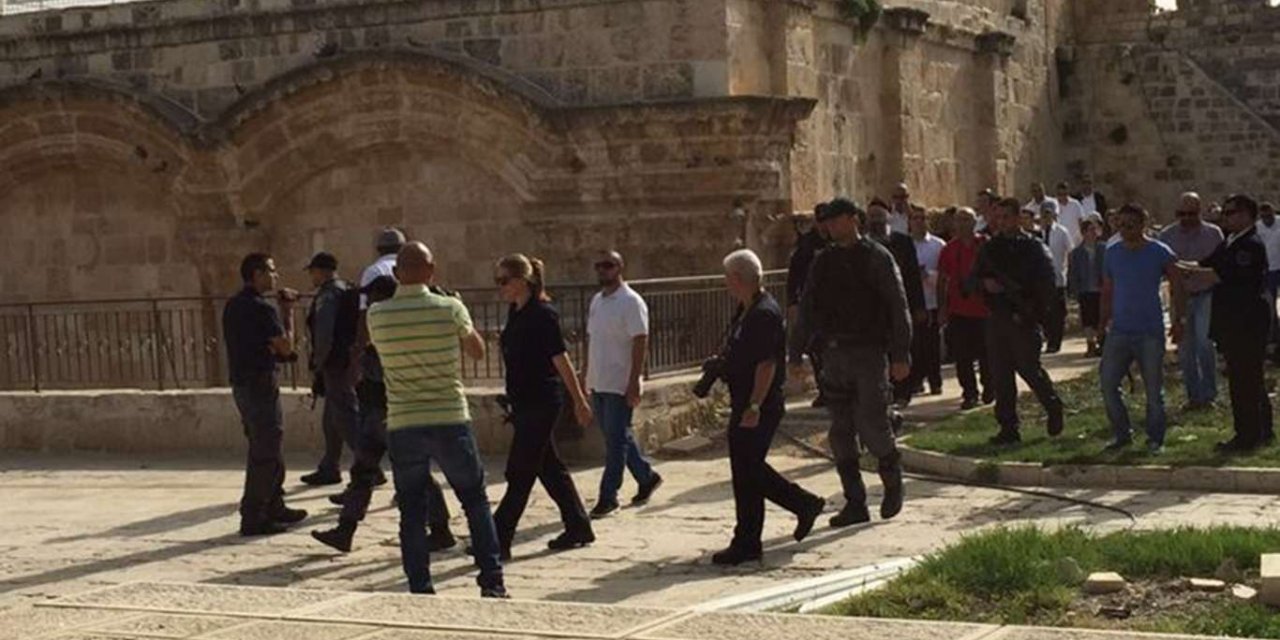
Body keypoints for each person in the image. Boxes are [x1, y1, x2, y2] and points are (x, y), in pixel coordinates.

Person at [367, 242, 507, 598]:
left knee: (412, 511)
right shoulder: (450, 308)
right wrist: (458, 314)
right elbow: (477, 352)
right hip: (449, 417)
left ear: (397, 273)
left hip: (403, 421)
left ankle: (420, 587)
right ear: (432, 271)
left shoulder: (377, 315)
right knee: (474, 500)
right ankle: (491, 580)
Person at [311, 275, 456, 554]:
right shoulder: (381, 327)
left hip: (393, 413)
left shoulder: (393, 329)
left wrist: (364, 360)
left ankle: (440, 529)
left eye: (374, 297)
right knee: (363, 472)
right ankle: (346, 529)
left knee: (415, 472)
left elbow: (385, 371)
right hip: (375, 413)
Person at [790, 197, 911, 527]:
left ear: (852, 220)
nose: (829, 227)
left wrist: (901, 354)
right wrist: (795, 352)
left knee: (873, 424)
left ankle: (892, 478)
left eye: (834, 220)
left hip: (868, 353)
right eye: (826, 222)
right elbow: (808, 307)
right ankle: (855, 501)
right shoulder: (823, 262)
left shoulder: (876, 257)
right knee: (840, 432)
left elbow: (898, 306)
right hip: (834, 354)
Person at [710, 249, 826, 566]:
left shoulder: (763, 313)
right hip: (746, 400)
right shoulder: (746, 309)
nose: (725, 283)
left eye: (727, 278)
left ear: (737, 278)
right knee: (747, 471)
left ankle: (752, 537)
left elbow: (766, 364)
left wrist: (754, 405)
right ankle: (795, 510)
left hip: (757, 403)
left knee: (747, 471)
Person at [492, 254, 596, 558]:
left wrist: (579, 399)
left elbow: (560, 358)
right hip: (523, 402)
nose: (500, 287)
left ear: (522, 281)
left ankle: (498, 537)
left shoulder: (543, 314)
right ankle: (578, 525)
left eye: (503, 280)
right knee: (549, 468)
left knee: (520, 471)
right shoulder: (516, 311)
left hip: (542, 401)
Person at [1177, 194, 1275, 452]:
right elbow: (1205, 263)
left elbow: (1219, 275)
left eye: (1231, 213)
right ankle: (1262, 431)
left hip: (1247, 320)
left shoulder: (1249, 245)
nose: (1225, 217)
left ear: (1245, 215)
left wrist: (1190, 271)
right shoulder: (1231, 241)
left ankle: (1247, 436)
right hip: (1233, 320)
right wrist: (1176, 263)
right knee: (1248, 378)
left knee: (1244, 380)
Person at [222, 253, 307, 536]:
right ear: (257, 274)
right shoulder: (263, 309)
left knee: (268, 443)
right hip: (259, 384)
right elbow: (286, 348)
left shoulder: (233, 306)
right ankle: (254, 514)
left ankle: (274, 504)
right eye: (271, 270)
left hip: (242, 385)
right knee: (265, 449)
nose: (276, 276)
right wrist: (288, 313)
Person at [970, 198, 1064, 445]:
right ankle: (1008, 427)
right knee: (1001, 374)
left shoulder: (1033, 247)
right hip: (997, 318)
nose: (1001, 222)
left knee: (1029, 369)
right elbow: (971, 281)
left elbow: (1046, 284)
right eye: (997, 217)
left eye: (1006, 217)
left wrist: (1029, 312)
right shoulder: (990, 248)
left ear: (1018, 217)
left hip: (1023, 318)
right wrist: (984, 284)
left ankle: (1053, 406)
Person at [583, 251, 663, 519]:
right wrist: (587, 374)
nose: (603, 270)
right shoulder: (597, 301)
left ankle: (608, 496)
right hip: (600, 380)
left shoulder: (631, 302)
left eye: (608, 265)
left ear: (620, 267)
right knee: (617, 435)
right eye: (599, 266)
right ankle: (646, 476)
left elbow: (640, 340)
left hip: (620, 381)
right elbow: (592, 339)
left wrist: (634, 381)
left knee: (616, 442)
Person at [1100, 204, 1183, 453]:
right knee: (1107, 383)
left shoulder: (1160, 251)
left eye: (1131, 225)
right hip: (1120, 330)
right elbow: (1107, 289)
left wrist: (1180, 320)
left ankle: (1155, 438)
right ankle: (1122, 433)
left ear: (1143, 224)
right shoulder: (1112, 253)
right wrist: (1100, 322)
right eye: (1121, 225)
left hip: (1149, 330)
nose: (1125, 230)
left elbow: (1177, 285)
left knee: (1152, 388)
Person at [1158, 192, 1223, 411]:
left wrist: (1190, 270)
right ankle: (1194, 396)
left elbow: (1220, 267)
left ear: (1200, 211)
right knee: (1185, 347)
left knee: (1205, 344)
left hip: (1206, 294)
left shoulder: (1213, 234)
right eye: (1181, 213)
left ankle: (1209, 394)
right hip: (1179, 296)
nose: (1186, 218)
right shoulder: (1167, 236)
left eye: (1191, 213)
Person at [300, 252, 360, 487]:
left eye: (313, 271)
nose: (311, 276)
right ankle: (329, 466)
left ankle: (368, 465)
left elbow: (324, 332)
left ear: (322, 270)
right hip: (345, 360)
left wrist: (318, 361)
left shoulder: (329, 294)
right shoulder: (345, 288)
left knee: (346, 416)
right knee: (332, 416)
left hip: (335, 363)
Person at [866, 199, 926, 408]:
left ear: (887, 217)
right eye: (871, 216)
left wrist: (918, 306)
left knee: (901, 349)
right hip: (873, 311)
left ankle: (903, 392)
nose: (875, 220)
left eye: (878, 215)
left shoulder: (902, 242)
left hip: (899, 305)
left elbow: (912, 277)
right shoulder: (864, 245)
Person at [938, 207, 992, 409]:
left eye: (966, 220)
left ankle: (989, 386)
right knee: (962, 356)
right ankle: (969, 393)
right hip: (958, 311)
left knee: (986, 353)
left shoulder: (984, 245)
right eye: (958, 220)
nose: (962, 224)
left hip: (984, 310)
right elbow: (942, 280)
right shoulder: (948, 250)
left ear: (974, 222)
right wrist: (942, 308)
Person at [786, 206, 831, 407]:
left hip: (832, 305)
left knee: (829, 349)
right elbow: (794, 275)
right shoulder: (807, 244)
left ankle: (832, 389)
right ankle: (824, 390)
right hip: (810, 303)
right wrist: (792, 302)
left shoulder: (835, 241)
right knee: (814, 348)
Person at [909, 205, 946, 395]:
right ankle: (916, 380)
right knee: (915, 344)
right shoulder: (906, 246)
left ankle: (935, 380)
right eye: (915, 218)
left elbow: (945, 275)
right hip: (913, 303)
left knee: (932, 345)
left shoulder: (938, 245)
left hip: (932, 301)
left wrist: (928, 275)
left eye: (922, 218)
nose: (919, 222)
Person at [1067, 216, 1107, 357]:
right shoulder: (1077, 253)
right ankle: (1090, 344)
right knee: (1088, 319)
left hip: (1101, 289)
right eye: (1090, 230)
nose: (1093, 232)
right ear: (1084, 233)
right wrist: (1074, 289)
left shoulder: (1104, 249)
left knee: (1101, 316)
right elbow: (1073, 272)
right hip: (1085, 290)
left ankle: (1102, 343)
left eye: (1095, 229)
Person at [1038, 200, 1073, 354]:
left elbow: (1070, 251)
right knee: (1044, 311)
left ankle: (1055, 341)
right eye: (1043, 214)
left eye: (1048, 213)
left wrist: (1070, 272)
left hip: (1058, 278)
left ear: (1054, 215)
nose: (1046, 217)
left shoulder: (1062, 232)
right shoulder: (1036, 233)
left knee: (1058, 312)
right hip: (1040, 280)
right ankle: (1048, 337)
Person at [1054, 181, 1086, 247]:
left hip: (1076, 241)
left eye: (1064, 194)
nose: (1062, 196)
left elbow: (1081, 221)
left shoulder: (1075, 204)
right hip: (1060, 243)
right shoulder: (1054, 206)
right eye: (1060, 194)